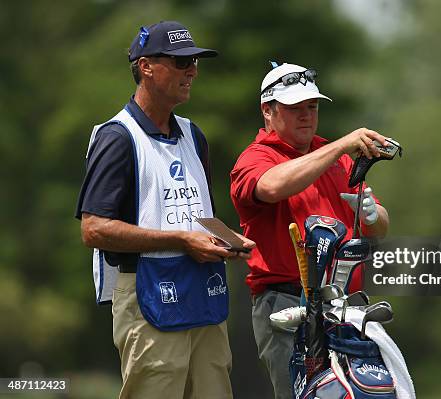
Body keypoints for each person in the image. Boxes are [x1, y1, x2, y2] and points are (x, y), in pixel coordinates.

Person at [75, 21, 254, 399]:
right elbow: (94, 229)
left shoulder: (194, 134)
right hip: (148, 295)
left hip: (204, 293)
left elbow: (197, 214)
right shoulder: (117, 136)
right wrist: (180, 240)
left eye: (194, 62)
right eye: (179, 61)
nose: (192, 70)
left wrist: (227, 238)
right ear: (145, 67)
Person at [230, 62, 390, 399]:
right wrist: (340, 146)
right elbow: (272, 186)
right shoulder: (256, 157)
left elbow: (379, 229)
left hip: (344, 305)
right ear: (268, 112)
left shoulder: (335, 156)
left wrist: (373, 215)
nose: (306, 115)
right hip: (286, 302)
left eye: (312, 107)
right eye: (294, 108)